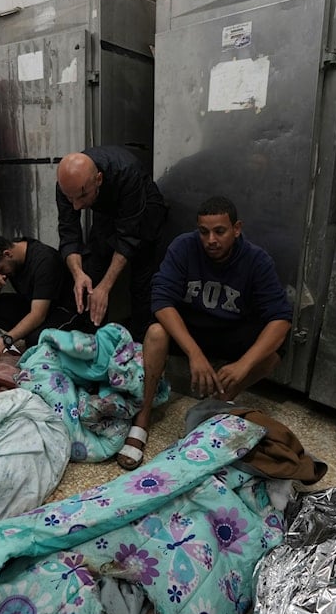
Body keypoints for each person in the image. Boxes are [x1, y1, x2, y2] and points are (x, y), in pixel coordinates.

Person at [117, 195, 293, 470]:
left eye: (219, 231)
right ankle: (144, 415)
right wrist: (194, 354)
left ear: (237, 229)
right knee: (155, 332)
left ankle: (219, 402)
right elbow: (161, 301)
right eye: (204, 231)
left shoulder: (257, 260)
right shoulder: (184, 247)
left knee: (275, 350)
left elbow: (281, 319)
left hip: (232, 331)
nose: (211, 239)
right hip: (192, 329)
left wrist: (242, 366)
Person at [56, 146, 167, 341]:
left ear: (98, 179)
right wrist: (78, 274)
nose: (76, 206)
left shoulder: (127, 172)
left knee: (142, 285)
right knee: (91, 277)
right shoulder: (69, 185)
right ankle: (93, 344)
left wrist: (105, 288)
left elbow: (129, 238)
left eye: (82, 196)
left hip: (144, 212)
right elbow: (69, 233)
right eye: (69, 198)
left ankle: (139, 348)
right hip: (105, 212)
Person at [0, 234, 86, 365]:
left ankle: (27, 333)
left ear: (7, 254)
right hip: (33, 303)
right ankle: (24, 331)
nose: (1, 274)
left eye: (1, 270)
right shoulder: (11, 254)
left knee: (34, 340)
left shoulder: (45, 260)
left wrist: (3, 342)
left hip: (63, 311)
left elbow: (38, 315)